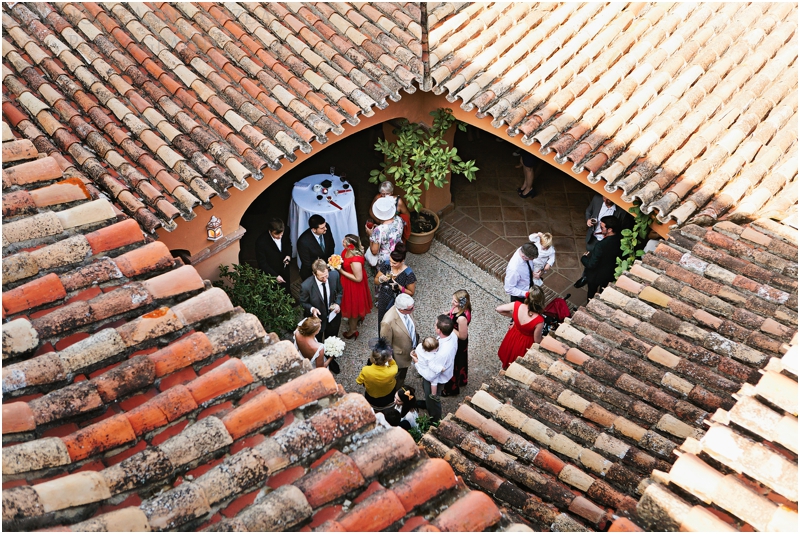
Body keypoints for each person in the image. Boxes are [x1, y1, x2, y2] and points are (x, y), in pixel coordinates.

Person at [412, 315, 457, 422]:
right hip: (442, 370)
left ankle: (435, 418)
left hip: (436, 378)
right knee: (429, 396)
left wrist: (417, 363)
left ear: (439, 330)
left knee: (433, 396)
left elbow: (432, 375)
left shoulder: (441, 354)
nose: (434, 326)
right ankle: (428, 403)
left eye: (435, 325)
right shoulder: (452, 335)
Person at [496, 287, 546, 370]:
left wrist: (515, 316)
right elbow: (537, 340)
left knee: (508, 353)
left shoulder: (516, 305)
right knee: (517, 364)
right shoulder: (539, 320)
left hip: (513, 335)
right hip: (525, 343)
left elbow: (498, 309)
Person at [335, 234, 372, 340]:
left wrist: (341, 270)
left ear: (350, 246)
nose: (342, 242)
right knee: (354, 305)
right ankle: (358, 318)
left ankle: (353, 330)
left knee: (352, 307)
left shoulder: (355, 260)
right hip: (347, 280)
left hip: (353, 284)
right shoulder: (350, 250)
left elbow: (358, 278)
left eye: (344, 242)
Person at [577, 215, 623, 299]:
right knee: (603, 293)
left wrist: (584, 258)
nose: (600, 229)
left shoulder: (600, 245)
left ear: (609, 230)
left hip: (596, 275)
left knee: (591, 293)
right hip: (609, 273)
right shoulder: (621, 239)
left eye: (602, 228)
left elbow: (591, 264)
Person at [380, 293, 418, 390]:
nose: (413, 310)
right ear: (401, 309)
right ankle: (396, 392)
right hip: (399, 357)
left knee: (403, 373)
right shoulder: (387, 322)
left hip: (409, 350)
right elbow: (385, 345)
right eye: (410, 309)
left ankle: (401, 385)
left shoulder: (407, 309)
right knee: (398, 375)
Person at [299, 259, 342, 341]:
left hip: (333, 318)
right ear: (314, 274)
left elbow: (340, 291)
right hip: (317, 321)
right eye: (322, 277)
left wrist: (337, 303)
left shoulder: (334, 275)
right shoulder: (306, 286)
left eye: (326, 275)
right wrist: (312, 309)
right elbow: (303, 303)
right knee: (316, 341)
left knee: (331, 340)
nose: (325, 279)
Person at [374, 243, 416, 328]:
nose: (391, 264)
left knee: (394, 324)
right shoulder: (386, 265)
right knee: (382, 322)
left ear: (402, 261)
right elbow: (376, 281)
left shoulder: (408, 274)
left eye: (394, 263)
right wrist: (381, 279)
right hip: (384, 298)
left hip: (398, 302)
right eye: (390, 261)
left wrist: (399, 287)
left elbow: (411, 292)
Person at [440, 290, 471, 397]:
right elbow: (453, 313)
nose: (452, 302)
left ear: (462, 303)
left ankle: (451, 389)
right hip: (454, 339)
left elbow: (463, 336)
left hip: (458, 343)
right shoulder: (458, 309)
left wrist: (449, 326)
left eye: (455, 301)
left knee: (454, 364)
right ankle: (462, 380)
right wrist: (448, 314)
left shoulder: (462, 318)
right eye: (453, 299)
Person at [356, 337, 397, 410]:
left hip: (372, 394)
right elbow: (394, 365)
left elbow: (359, 381)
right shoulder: (392, 371)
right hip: (388, 393)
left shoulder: (365, 370)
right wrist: (391, 360)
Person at [255, 218, 292, 295]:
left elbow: (288, 244)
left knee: (286, 290)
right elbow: (262, 263)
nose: (279, 237)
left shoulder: (286, 231)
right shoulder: (261, 242)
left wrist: (288, 255)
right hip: (271, 272)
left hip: (284, 268)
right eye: (276, 234)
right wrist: (275, 276)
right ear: (270, 231)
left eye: (281, 234)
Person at [365, 196, 404, 267]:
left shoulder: (379, 230)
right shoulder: (399, 219)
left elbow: (374, 251)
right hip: (399, 253)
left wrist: (371, 235)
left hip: (386, 260)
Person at [297, 214, 335, 281]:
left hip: (327, 268)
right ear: (314, 229)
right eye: (322, 228)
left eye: (325, 226)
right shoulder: (303, 242)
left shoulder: (326, 228)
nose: (325, 228)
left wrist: (329, 264)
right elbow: (307, 263)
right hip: (312, 274)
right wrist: (321, 271)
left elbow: (331, 245)